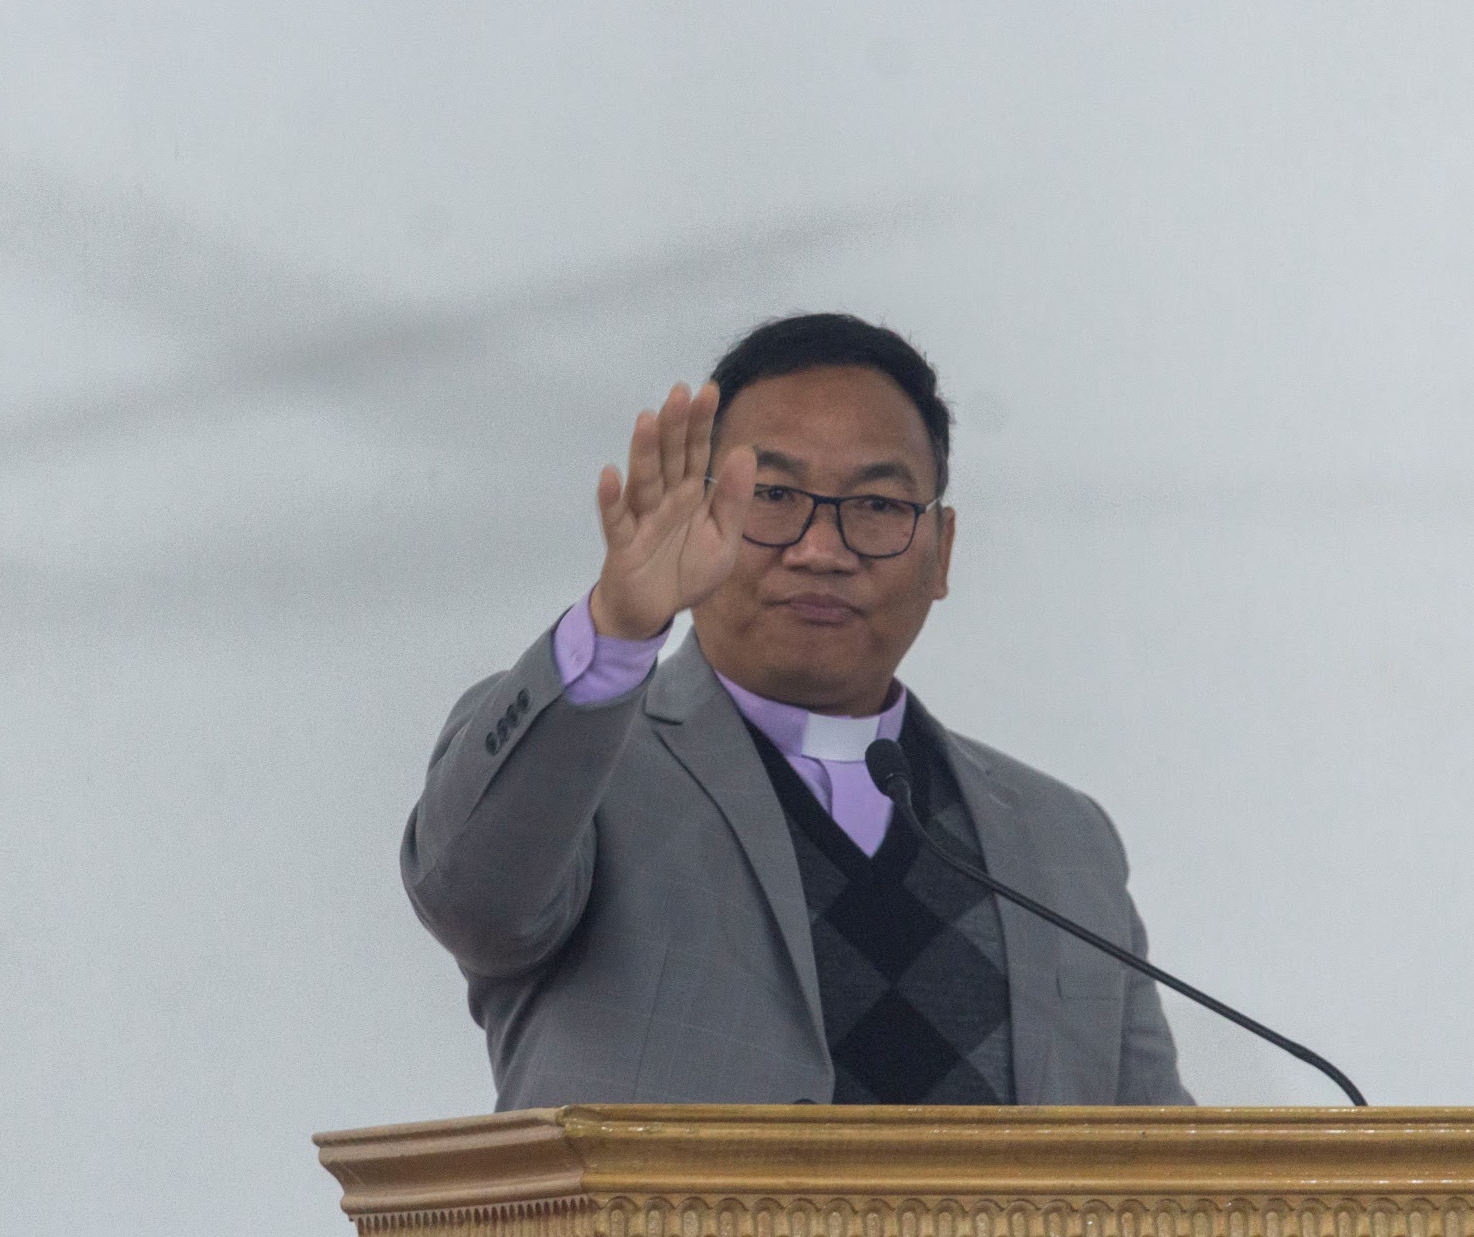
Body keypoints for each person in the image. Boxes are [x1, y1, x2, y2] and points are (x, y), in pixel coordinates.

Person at [401, 313, 1191, 1110]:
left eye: (876, 505)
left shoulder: (1062, 839)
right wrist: (616, 628)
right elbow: (473, 906)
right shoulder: (583, 768)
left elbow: (1161, 1160)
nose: (821, 549)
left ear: (941, 551)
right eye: (773, 496)